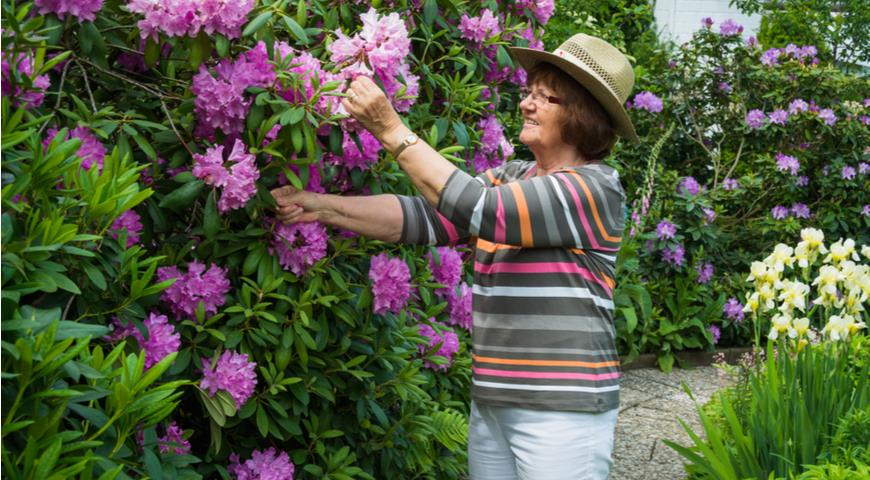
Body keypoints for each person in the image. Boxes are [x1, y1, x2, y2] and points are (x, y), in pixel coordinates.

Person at [272, 33, 637, 479]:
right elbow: (425, 218)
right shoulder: (513, 176)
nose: (526, 104)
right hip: (494, 401)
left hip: (562, 409)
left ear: (582, 115)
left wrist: (389, 127)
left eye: (545, 97)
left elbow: (481, 210)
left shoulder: (593, 187)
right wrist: (322, 206)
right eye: (528, 93)